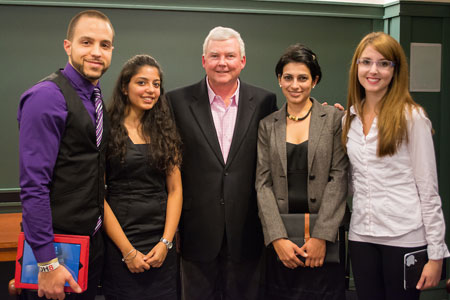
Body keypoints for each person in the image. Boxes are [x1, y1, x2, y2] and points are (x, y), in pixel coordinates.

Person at [166, 26, 277, 299]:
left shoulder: (265, 101)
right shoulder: (176, 101)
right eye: (215, 56)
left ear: (243, 61)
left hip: (248, 231)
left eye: (230, 55)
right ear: (204, 60)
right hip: (196, 232)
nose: (222, 63)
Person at [342, 31, 450, 300]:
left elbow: (428, 190)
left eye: (383, 63)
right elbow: (353, 181)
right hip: (361, 236)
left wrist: (436, 255)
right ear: (356, 66)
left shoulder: (412, 118)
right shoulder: (349, 118)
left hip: (404, 237)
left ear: (395, 69)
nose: (373, 70)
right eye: (366, 62)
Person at [17, 10, 114, 300]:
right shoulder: (46, 97)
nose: (96, 52)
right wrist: (46, 263)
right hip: (55, 253)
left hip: (90, 245)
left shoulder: (95, 98)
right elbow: (34, 186)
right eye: (87, 42)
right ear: (68, 46)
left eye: (105, 45)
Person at [255, 44, 348, 300]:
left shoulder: (333, 119)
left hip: (323, 244)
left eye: (303, 78)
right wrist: (277, 238)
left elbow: (339, 178)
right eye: (288, 77)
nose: (295, 85)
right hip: (282, 244)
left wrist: (321, 237)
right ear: (279, 80)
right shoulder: (267, 125)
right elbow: (262, 184)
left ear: (315, 81)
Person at [101, 54, 182, 300]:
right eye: (142, 82)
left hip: (161, 245)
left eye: (156, 84)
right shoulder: (105, 129)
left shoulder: (164, 129)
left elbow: (175, 190)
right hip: (120, 244)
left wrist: (166, 243)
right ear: (125, 87)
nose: (150, 90)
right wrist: (127, 252)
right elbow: (98, 195)